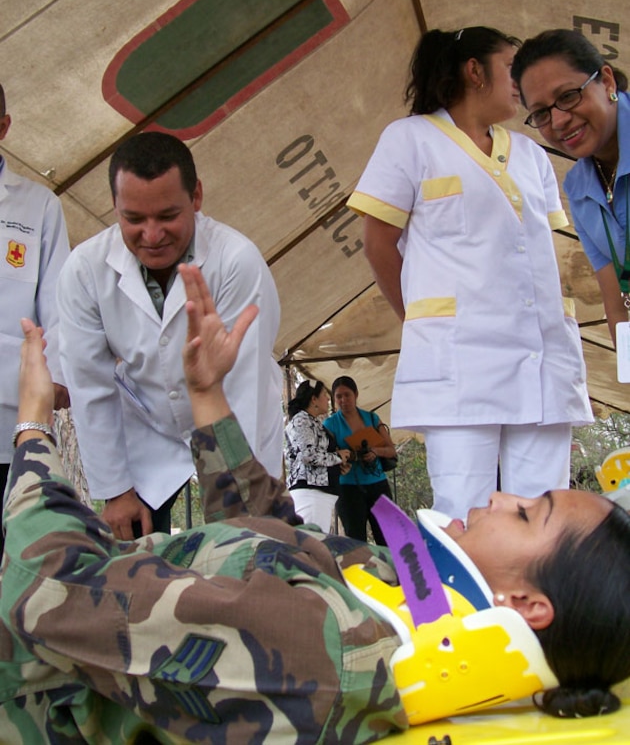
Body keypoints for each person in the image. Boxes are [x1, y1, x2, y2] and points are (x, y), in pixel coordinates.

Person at [2, 265, 630, 745]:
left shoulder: (338, 648)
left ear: (525, 605)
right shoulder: (403, 614)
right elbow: (272, 543)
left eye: (525, 514)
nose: (498, 496)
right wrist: (207, 397)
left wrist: (31, 425)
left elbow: (41, 585)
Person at [347, 27, 593, 519]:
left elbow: (541, 253)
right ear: (474, 70)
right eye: (511, 67)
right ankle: (465, 598)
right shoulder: (410, 138)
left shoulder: (529, 154)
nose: (521, 82)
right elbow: (378, 244)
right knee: (463, 510)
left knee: (541, 511)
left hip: (542, 355)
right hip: (460, 361)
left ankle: (533, 598)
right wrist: (423, 324)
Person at [56, 131, 283, 539]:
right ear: (115, 206)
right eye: (134, 219)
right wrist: (115, 491)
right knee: (135, 556)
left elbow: (243, 387)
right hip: (145, 429)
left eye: (167, 216)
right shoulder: (84, 270)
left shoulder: (236, 261)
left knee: (247, 545)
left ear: (196, 196)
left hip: (231, 415)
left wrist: (238, 508)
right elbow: (90, 385)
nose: (152, 234)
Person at [512, 29, 629, 346]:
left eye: (567, 96)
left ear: (606, 82)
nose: (559, 120)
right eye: (541, 113)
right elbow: (618, 305)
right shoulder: (578, 189)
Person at [0, 83, 70, 556]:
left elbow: (58, 303)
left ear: (2, 127)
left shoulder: (37, 205)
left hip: (12, 407)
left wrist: (60, 377)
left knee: (14, 550)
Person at [323, 376, 397, 544]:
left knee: (388, 538)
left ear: (356, 394)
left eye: (347, 395)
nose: (343, 400)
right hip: (348, 489)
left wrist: (375, 452)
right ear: (334, 400)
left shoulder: (372, 418)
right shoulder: (330, 424)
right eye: (338, 396)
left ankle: (391, 570)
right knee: (356, 542)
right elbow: (328, 457)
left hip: (378, 485)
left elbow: (391, 450)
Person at [284, 379, 351, 531]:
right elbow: (307, 455)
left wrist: (337, 466)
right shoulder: (301, 420)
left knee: (316, 542)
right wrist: (337, 457)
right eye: (324, 395)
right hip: (311, 494)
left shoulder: (313, 422)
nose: (328, 399)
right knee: (312, 544)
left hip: (319, 494)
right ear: (314, 399)